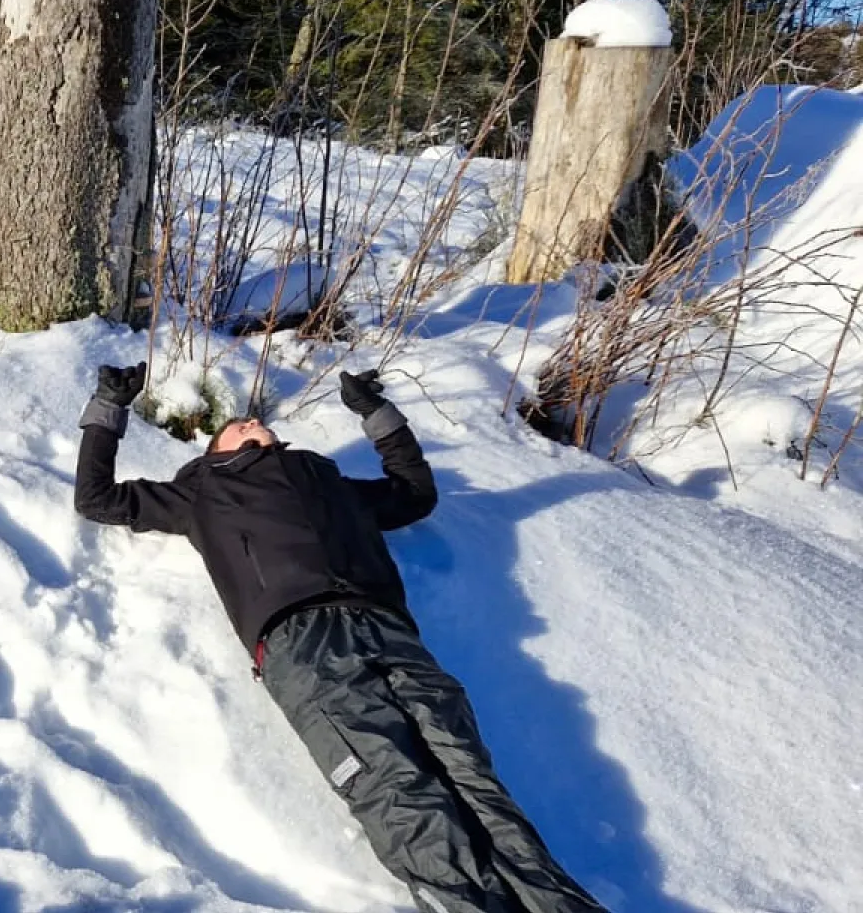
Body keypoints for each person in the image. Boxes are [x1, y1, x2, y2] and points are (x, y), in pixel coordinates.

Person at [73, 364, 604, 913]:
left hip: (389, 630)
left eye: (253, 420)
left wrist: (376, 411)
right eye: (236, 426)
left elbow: (414, 495)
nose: (250, 421)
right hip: (303, 644)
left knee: (471, 776)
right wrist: (109, 406)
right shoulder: (201, 492)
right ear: (215, 452)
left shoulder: (327, 481)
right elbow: (95, 498)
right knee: (397, 791)